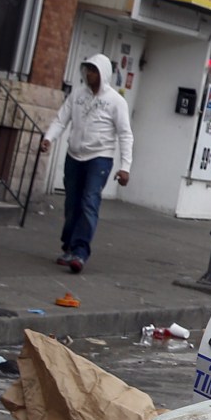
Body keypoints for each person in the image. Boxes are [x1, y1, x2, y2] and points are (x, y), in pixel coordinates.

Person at [40, 53, 134, 274]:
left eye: (93, 70)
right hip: (74, 155)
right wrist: (48, 138)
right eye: (87, 70)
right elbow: (61, 119)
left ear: (102, 73)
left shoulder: (115, 101)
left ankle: (80, 253)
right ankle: (69, 246)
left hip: (99, 158)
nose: (89, 74)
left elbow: (125, 134)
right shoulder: (78, 95)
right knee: (72, 204)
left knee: (89, 202)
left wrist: (125, 167)